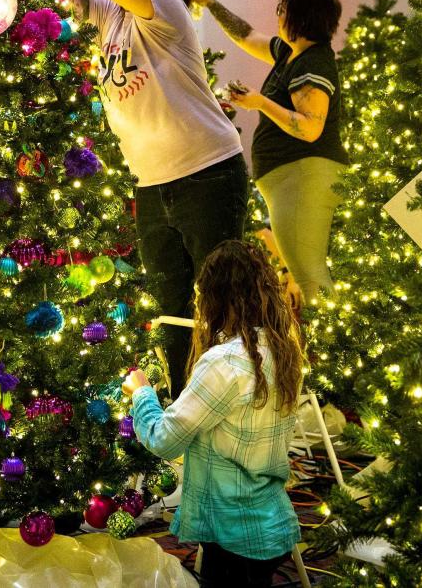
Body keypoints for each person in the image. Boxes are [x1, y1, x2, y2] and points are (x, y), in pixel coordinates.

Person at [0, 0, 248, 394]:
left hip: (208, 172)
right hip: (153, 184)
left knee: (221, 306)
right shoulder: (108, 15)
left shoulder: (163, 5)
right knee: (173, 312)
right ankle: (184, 420)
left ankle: (236, 414)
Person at [123, 240, 304, 586]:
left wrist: (142, 392)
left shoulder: (225, 363)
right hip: (270, 523)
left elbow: (165, 441)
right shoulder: (281, 347)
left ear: (213, 298)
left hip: (233, 534)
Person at [192, 0, 348, 306]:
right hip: (291, 181)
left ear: (302, 20)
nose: (277, 17)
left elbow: (309, 128)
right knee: (305, 273)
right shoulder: (291, 53)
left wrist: (260, 102)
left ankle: (330, 348)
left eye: (282, 10)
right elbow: (246, 36)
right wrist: (209, 2)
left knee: (309, 276)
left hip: (304, 178)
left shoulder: (314, 65)